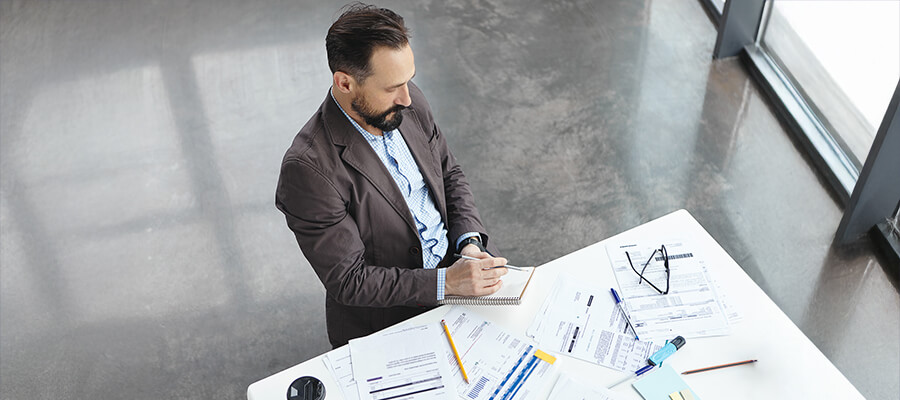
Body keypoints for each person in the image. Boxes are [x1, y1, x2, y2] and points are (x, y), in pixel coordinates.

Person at [275, 3, 508, 348]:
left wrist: (468, 244)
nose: (407, 98)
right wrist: (445, 283)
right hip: (388, 322)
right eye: (391, 88)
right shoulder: (308, 170)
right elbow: (350, 281)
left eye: (408, 81)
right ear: (344, 83)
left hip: (457, 281)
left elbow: (449, 174)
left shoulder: (407, 102)